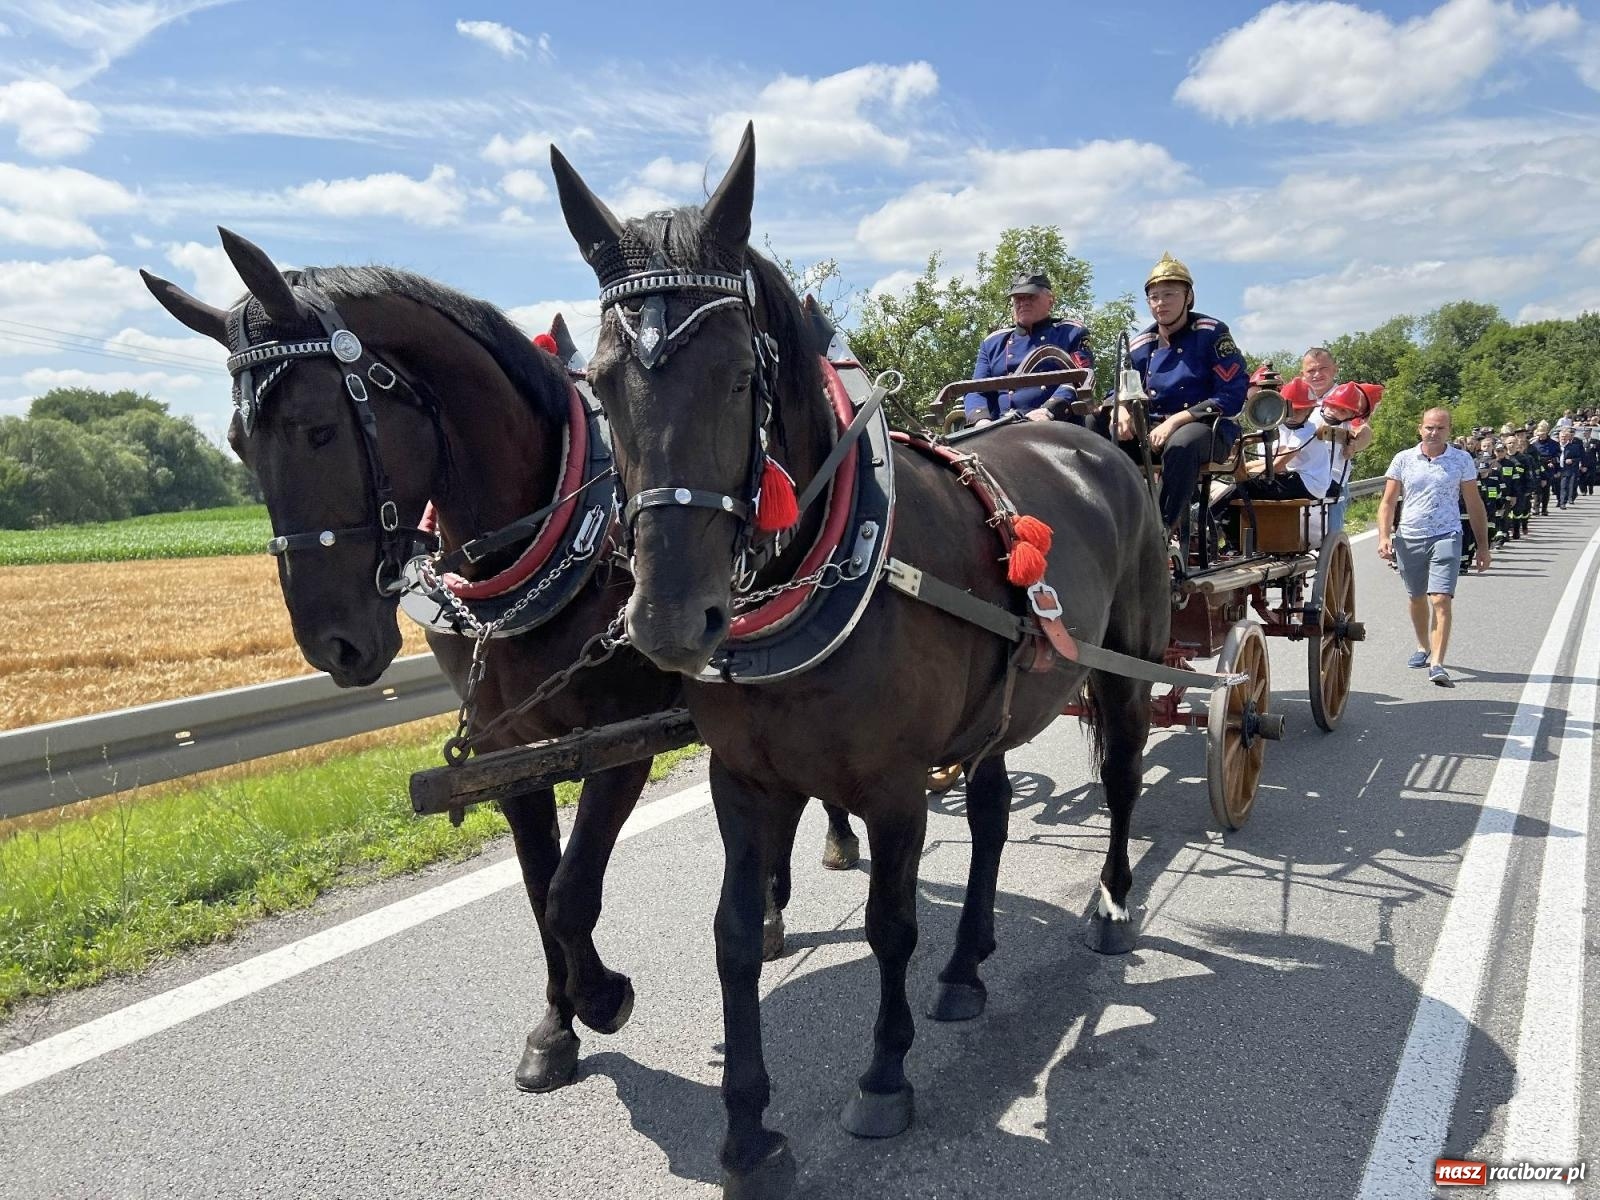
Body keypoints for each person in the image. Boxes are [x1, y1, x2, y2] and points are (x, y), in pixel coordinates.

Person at [1109, 252, 1248, 546]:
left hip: (1208, 430)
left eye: (1169, 294)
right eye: (1154, 297)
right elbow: (1119, 389)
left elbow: (1232, 394)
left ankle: (1161, 531)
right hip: (1153, 433)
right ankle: (1107, 522)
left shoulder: (1212, 333)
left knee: (1180, 443)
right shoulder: (1140, 344)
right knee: (1092, 425)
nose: (1161, 303)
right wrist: (1119, 409)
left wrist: (1178, 420)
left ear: (1189, 297)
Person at [1378, 408, 1491, 687]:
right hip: (1410, 537)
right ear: (1420, 428)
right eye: (1429, 427)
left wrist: (1483, 547)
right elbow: (1388, 502)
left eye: (1440, 428)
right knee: (1416, 596)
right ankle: (1422, 646)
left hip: (1446, 534)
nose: (1434, 433)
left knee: (1440, 599)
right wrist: (1384, 536)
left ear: (1448, 431)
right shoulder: (1403, 459)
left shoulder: (1461, 460)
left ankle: (1437, 664)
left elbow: (1474, 505)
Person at [964, 270, 1093, 426]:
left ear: (1050, 300)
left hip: (1056, 424)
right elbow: (975, 389)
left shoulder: (1071, 332)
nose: (1023, 302)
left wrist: (1048, 410)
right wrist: (981, 420)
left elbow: (1079, 380)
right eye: (1018, 298)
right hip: (999, 426)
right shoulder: (993, 343)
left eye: (1031, 296)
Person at [1529, 420, 1560, 516]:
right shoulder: (1534, 444)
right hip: (1537, 467)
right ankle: (1536, 508)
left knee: (1546, 489)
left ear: (1547, 432)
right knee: (1537, 489)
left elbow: (1558, 455)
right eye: (1539, 433)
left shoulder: (1554, 444)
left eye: (1543, 433)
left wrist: (1553, 461)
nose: (1541, 435)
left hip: (1548, 468)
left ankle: (1544, 508)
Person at [1557, 426, 1583, 508]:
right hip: (1557, 469)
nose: (1563, 438)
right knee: (1557, 487)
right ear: (1559, 437)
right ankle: (1559, 500)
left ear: (1568, 438)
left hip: (1567, 469)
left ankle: (1563, 503)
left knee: (1564, 486)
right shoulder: (1556, 447)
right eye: (1562, 437)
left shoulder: (1573, 447)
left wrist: (1572, 460)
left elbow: (1579, 457)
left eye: (1565, 437)